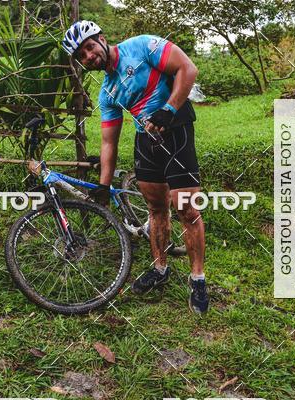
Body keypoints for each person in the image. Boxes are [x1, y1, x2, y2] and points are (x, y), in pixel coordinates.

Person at [62, 21, 208, 314]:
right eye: (81, 55)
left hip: (177, 130)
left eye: (89, 47)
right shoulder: (107, 92)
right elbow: (109, 142)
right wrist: (104, 186)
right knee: (156, 209)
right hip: (146, 140)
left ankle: (198, 279)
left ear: (102, 39)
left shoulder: (141, 46)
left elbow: (188, 69)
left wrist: (168, 110)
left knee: (187, 209)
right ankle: (160, 268)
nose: (88, 56)